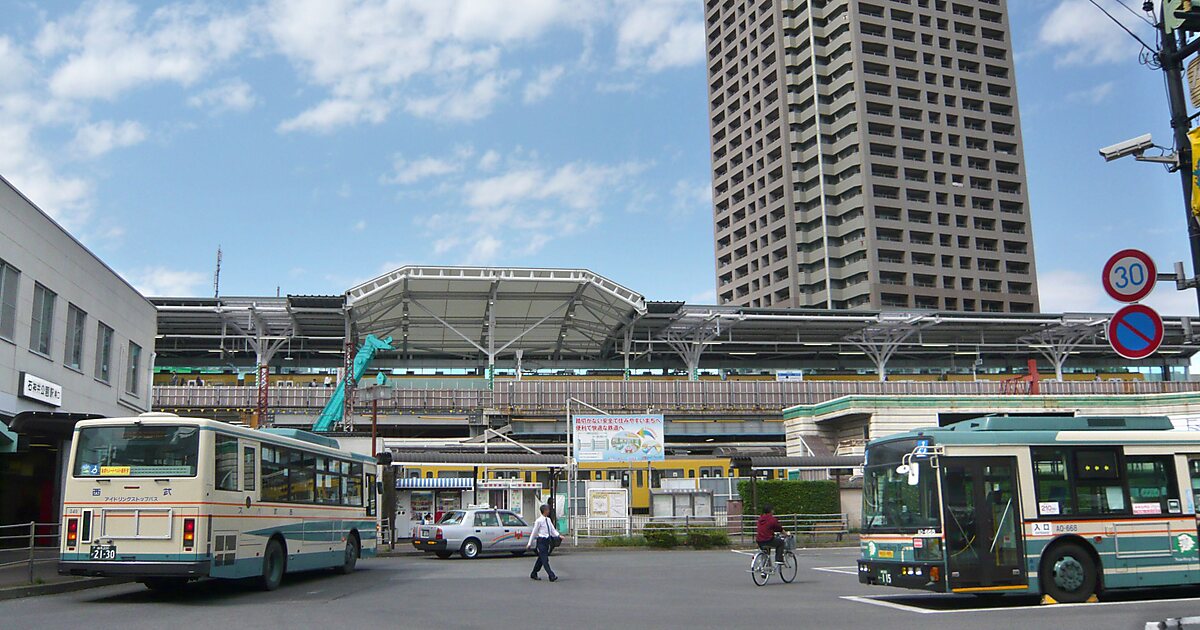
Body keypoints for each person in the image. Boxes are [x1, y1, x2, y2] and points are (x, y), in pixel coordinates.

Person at [526, 504, 560, 582]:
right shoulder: (539, 521)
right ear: (544, 511)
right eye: (547, 509)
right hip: (541, 541)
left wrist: (558, 535)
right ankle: (551, 575)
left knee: (541, 559)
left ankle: (534, 573)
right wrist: (529, 543)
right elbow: (534, 532)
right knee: (545, 559)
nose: (549, 511)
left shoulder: (548, 520)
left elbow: (552, 530)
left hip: (547, 541)